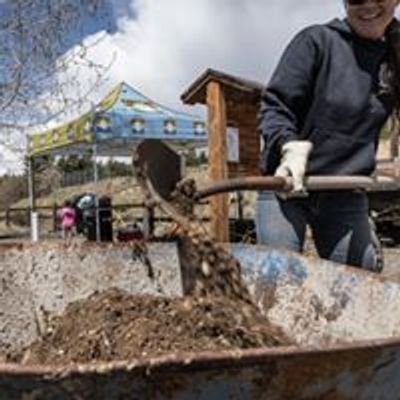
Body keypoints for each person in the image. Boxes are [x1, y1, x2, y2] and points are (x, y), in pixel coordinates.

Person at [256, 0, 400, 271]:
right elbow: (275, 106)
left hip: (343, 189)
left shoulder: (394, 57)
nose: (368, 6)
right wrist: (288, 146)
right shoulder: (316, 42)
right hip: (286, 186)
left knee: (360, 273)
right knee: (280, 274)